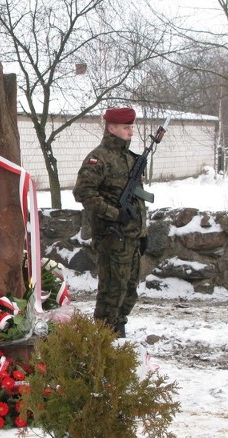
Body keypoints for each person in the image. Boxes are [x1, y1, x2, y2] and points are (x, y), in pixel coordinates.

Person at [72, 107, 148, 338]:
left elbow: (137, 198)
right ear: (111, 127)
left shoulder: (128, 158)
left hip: (132, 237)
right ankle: (104, 338)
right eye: (126, 128)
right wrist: (113, 214)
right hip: (112, 237)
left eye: (131, 127)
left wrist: (143, 232)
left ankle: (119, 331)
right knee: (112, 291)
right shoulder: (99, 158)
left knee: (129, 290)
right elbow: (83, 192)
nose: (131, 133)